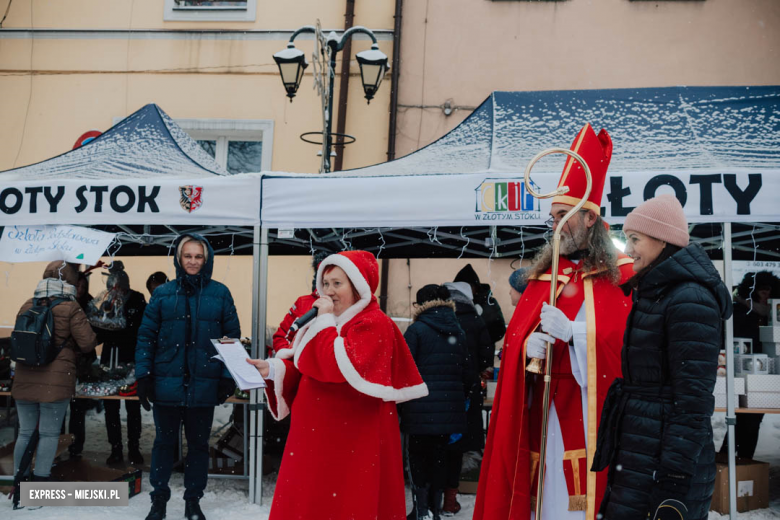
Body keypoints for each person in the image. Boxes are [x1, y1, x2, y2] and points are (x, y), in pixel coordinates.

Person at [473, 124, 635, 520]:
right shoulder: (543, 277)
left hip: (589, 402)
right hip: (543, 407)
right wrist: (523, 348)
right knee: (546, 495)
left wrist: (576, 333)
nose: (555, 225)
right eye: (553, 217)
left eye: (564, 216)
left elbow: (629, 342)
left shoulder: (623, 276)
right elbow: (514, 340)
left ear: (590, 219)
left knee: (581, 498)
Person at [246, 250, 428, 520]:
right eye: (326, 283)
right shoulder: (328, 322)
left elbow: (334, 366)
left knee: (346, 502)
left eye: (337, 284)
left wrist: (325, 321)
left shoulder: (374, 323)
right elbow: (308, 366)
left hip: (350, 440)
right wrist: (273, 368)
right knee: (312, 502)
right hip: (316, 438)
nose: (328, 291)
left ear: (358, 287)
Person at [592, 194, 732, 520]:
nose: (628, 250)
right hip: (642, 453)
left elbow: (693, 402)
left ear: (663, 240)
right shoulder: (657, 292)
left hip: (663, 463)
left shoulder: (689, 299)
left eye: (635, 239)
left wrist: (674, 479)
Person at [136, 234, 240, 520]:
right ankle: (158, 501)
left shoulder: (220, 293)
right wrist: (144, 375)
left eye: (198, 256)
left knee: (197, 447)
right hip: (166, 384)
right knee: (163, 444)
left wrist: (226, 377)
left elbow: (230, 338)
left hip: (203, 385)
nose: (193, 261)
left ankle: (193, 501)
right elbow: (146, 337)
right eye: (188, 256)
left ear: (206, 260)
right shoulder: (162, 294)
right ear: (178, 259)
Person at [12, 262, 97, 487]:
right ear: (70, 281)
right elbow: (88, 343)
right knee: (49, 434)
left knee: (25, 432)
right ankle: (39, 481)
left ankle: (19, 480)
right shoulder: (70, 307)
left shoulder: (27, 304)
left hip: (24, 377)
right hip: (56, 381)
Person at [401, 284, 469, 520]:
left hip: (419, 409)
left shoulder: (416, 330)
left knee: (418, 458)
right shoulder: (458, 331)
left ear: (421, 305)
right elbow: (468, 373)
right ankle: (435, 509)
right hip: (449, 410)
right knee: (440, 459)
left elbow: (403, 368)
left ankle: (421, 510)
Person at [442, 280, 493, 515]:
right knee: (459, 442)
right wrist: (478, 371)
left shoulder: (441, 318)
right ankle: (451, 498)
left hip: (440, 391)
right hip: (467, 389)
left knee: (437, 444)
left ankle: (433, 498)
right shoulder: (475, 320)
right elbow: (486, 353)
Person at [718, 271, 780, 459]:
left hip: (763, 376)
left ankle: (742, 465)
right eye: (762, 291)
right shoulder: (739, 310)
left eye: (769, 291)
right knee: (739, 420)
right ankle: (731, 464)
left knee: (751, 421)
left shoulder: (772, 315)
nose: (766, 295)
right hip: (739, 373)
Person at [91, 262, 147, 465]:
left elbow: (139, 328)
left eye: (117, 288)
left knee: (133, 406)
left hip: (130, 358)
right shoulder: (107, 301)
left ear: (125, 285)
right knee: (111, 406)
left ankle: (134, 447)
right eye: (110, 288)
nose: (114, 291)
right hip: (109, 358)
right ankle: (115, 448)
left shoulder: (137, 300)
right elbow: (100, 329)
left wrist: (119, 326)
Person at [270, 251, 329, 355]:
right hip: (300, 369)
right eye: (325, 281)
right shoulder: (303, 302)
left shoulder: (349, 307)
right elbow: (281, 336)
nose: (330, 288)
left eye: (337, 282)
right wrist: (291, 356)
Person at [68, 270, 99, 459]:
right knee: (59, 406)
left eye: (83, 286)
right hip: (66, 360)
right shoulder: (64, 303)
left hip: (85, 360)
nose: (80, 289)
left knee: (78, 407)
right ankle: (61, 444)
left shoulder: (91, 303)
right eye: (77, 285)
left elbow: (98, 330)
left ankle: (75, 446)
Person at [453, 264, 507, 344]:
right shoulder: (452, 301)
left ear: (475, 286)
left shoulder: (489, 302)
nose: (465, 290)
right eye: (461, 287)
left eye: (468, 286)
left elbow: (499, 330)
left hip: (482, 351)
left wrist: (483, 339)